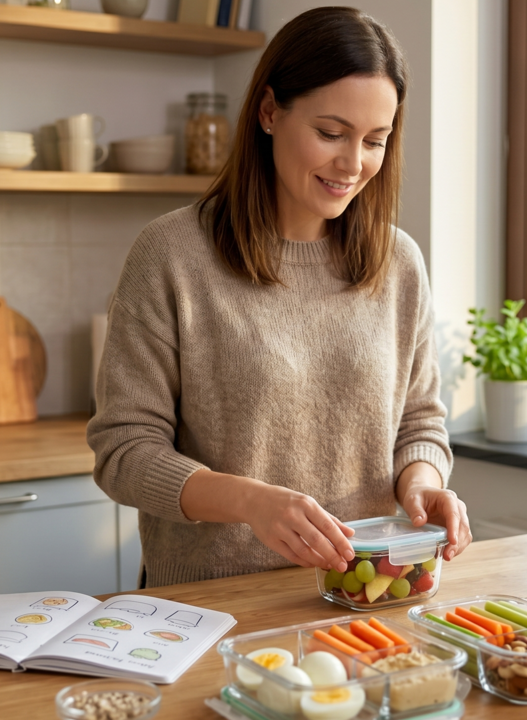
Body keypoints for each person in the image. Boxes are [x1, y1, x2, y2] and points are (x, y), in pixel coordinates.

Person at [88, 6, 471, 589]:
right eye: (330, 133)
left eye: (376, 140)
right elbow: (124, 451)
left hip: (364, 591)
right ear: (269, 112)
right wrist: (249, 502)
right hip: (209, 605)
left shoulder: (399, 263)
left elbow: (418, 422)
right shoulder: (170, 254)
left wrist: (423, 486)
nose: (353, 163)